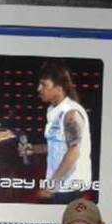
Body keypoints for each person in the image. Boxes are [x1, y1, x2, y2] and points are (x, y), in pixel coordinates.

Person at [18, 60, 93, 203]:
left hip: (71, 190)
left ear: (59, 88)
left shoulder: (71, 113)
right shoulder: (53, 111)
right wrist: (34, 149)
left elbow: (74, 152)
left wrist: (52, 185)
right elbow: (59, 146)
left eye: (44, 84)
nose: (39, 88)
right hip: (60, 189)